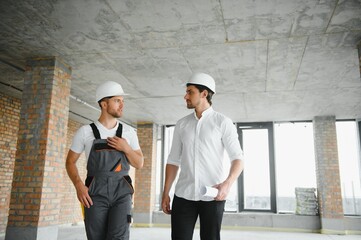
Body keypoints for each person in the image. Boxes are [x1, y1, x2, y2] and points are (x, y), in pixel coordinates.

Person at [161, 73, 244, 240]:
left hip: (213, 195)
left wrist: (227, 184)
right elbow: (173, 161)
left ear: (204, 94)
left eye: (190, 92)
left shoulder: (223, 122)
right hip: (183, 195)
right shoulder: (182, 124)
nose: (185, 96)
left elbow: (238, 159)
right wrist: (165, 192)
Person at [66, 81, 144, 240]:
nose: (122, 105)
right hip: (94, 192)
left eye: (123, 101)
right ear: (104, 104)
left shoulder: (128, 132)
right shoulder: (86, 132)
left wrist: (126, 148)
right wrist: (79, 185)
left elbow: (139, 163)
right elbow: (70, 162)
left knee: (119, 237)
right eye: (117, 101)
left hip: (122, 191)